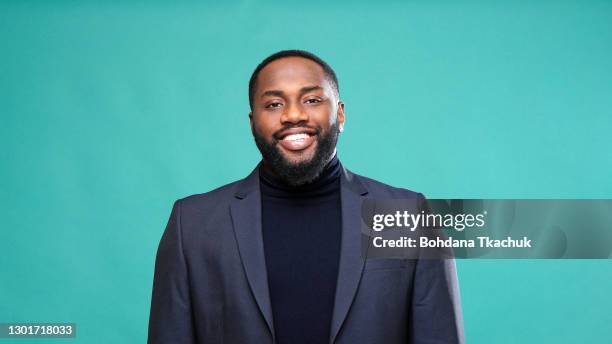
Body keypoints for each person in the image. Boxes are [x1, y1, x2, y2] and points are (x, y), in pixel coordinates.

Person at [148, 50, 464, 344]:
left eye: (312, 100)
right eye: (273, 104)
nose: (293, 115)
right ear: (252, 123)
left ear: (340, 114)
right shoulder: (191, 224)